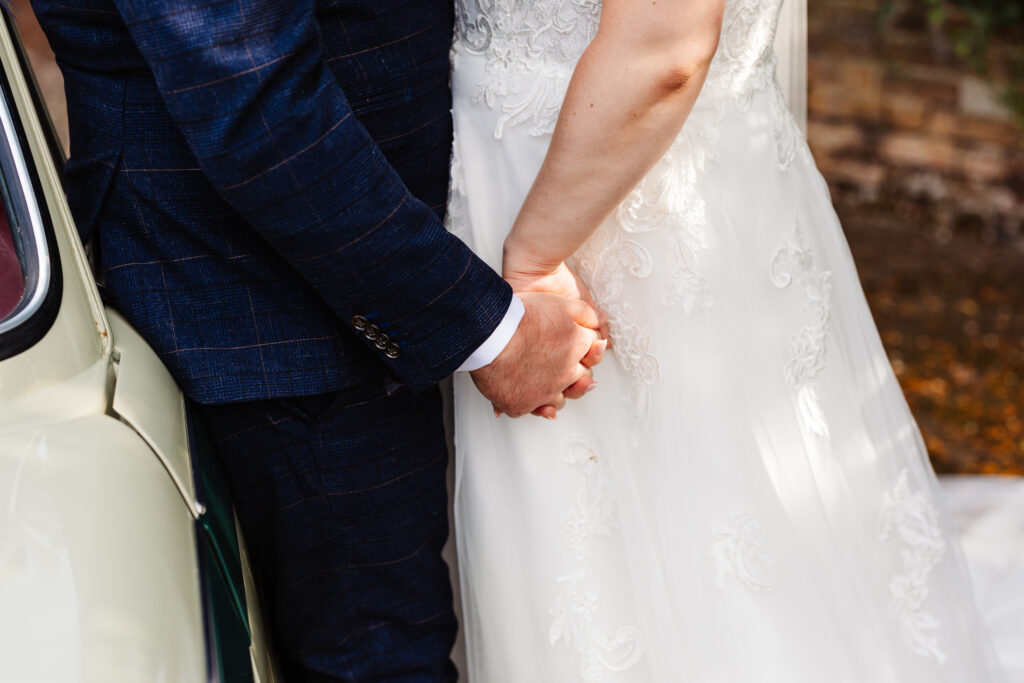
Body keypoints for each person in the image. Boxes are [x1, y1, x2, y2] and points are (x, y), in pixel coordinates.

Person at [30, 1, 608, 680]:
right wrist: (486, 331)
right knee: (379, 657)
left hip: (372, 275)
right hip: (279, 304)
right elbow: (253, 99)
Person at [448, 0, 1010, 681]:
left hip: (585, 201)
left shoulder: (539, 253)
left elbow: (665, 47)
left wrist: (532, 261)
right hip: (615, 173)